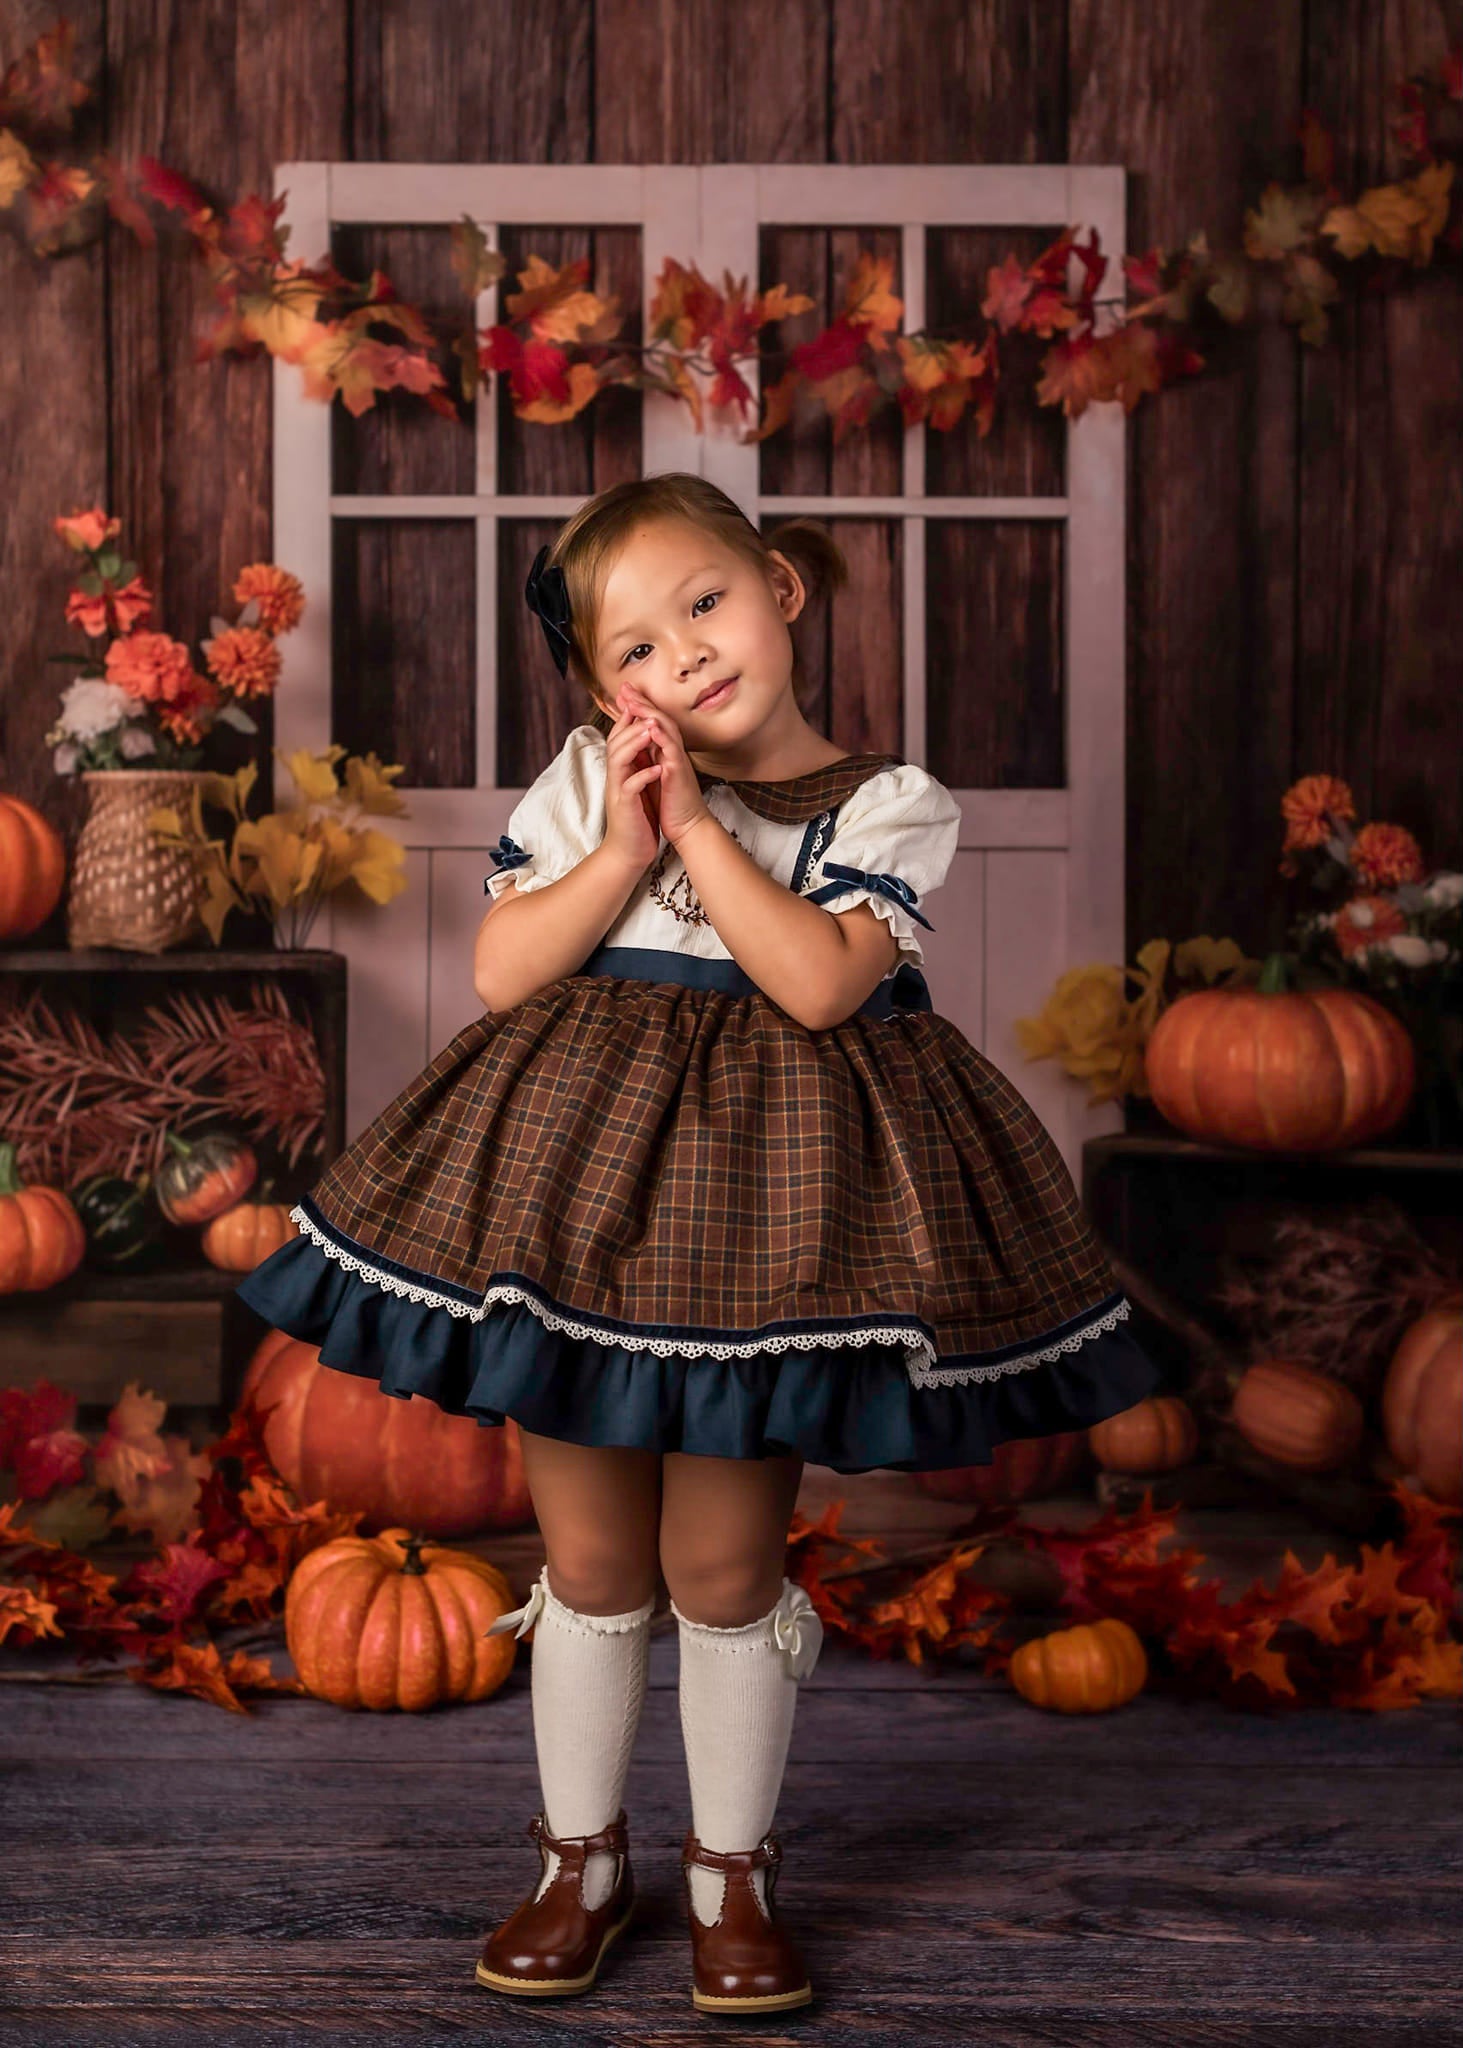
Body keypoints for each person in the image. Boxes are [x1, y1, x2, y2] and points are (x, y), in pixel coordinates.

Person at [233, 470, 1164, 2015]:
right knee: (592, 1558)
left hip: (769, 1233)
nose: (685, 660)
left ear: (782, 587)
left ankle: (735, 1873)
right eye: (639, 654)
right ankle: (578, 1862)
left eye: (708, 605)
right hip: (576, 1211)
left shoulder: (886, 801)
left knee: (721, 1565)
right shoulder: (595, 790)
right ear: (610, 694)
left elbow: (816, 987)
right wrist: (619, 845)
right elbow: (503, 976)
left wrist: (700, 826)